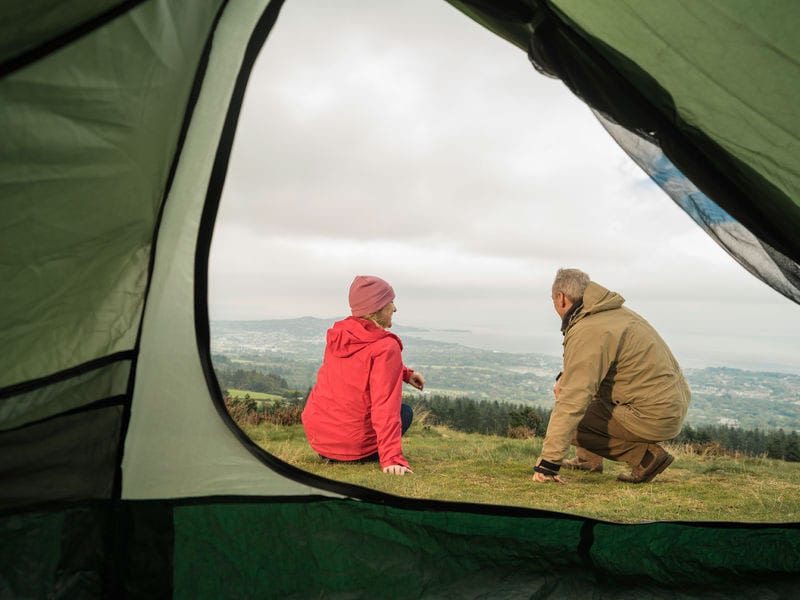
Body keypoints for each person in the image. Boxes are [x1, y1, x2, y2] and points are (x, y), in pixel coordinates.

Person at [532, 268, 691, 484]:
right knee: (582, 398)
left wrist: (548, 464)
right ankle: (587, 460)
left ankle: (645, 457)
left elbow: (572, 401)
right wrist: (566, 377)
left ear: (561, 298)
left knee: (572, 420)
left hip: (649, 414)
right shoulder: (612, 314)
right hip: (667, 406)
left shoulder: (590, 327)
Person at [301, 275, 425, 475]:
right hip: (353, 449)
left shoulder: (340, 336)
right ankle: (372, 454)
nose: (394, 308)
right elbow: (385, 406)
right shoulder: (387, 347)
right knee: (405, 412)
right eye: (390, 302)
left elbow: (360, 364)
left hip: (321, 443)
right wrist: (392, 459)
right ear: (378, 307)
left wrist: (405, 374)